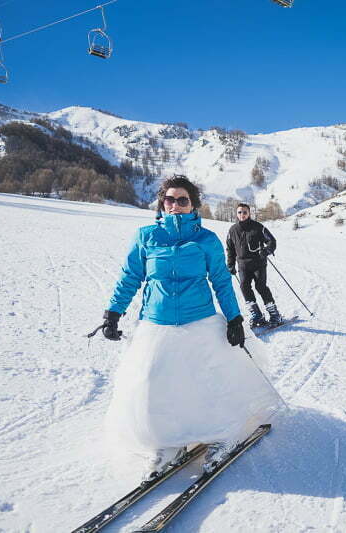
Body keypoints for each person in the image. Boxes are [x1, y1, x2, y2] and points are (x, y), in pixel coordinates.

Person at [92, 176, 281, 480]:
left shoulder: (206, 239)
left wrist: (234, 319)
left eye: (183, 200)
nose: (176, 205)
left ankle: (222, 434)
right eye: (170, 199)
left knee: (207, 382)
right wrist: (113, 313)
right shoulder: (146, 236)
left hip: (200, 320)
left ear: (193, 205)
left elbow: (221, 281)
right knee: (153, 383)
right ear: (162, 203)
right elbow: (130, 277)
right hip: (156, 323)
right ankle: (169, 443)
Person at [226, 203, 282, 327]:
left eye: (245, 212)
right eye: (239, 212)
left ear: (249, 213)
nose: (242, 214)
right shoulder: (232, 230)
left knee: (261, 287)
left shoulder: (258, 227)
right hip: (243, 266)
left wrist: (266, 250)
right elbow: (230, 249)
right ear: (236, 214)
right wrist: (230, 264)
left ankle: (275, 315)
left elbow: (272, 241)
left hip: (258, 263)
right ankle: (257, 316)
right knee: (244, 288)